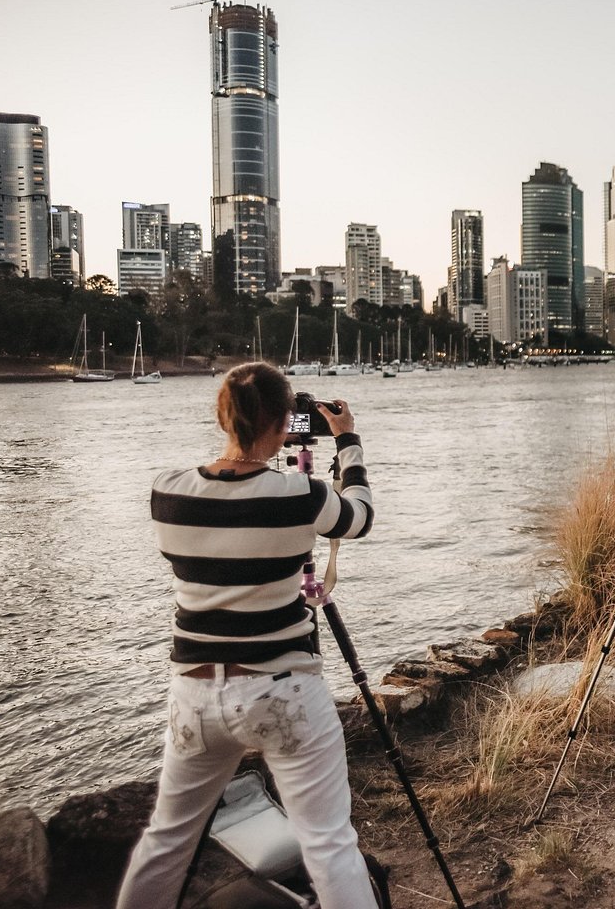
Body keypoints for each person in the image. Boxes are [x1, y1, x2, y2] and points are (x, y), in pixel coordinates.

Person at [117, 363, 377, 909]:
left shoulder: (167, 491)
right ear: (284, 422)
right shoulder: (299, 494)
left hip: (194, 694)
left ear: (222, 418)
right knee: (328, 844)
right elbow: (359, 518)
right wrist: (347, 441)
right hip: (282, 690)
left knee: (166, 840)